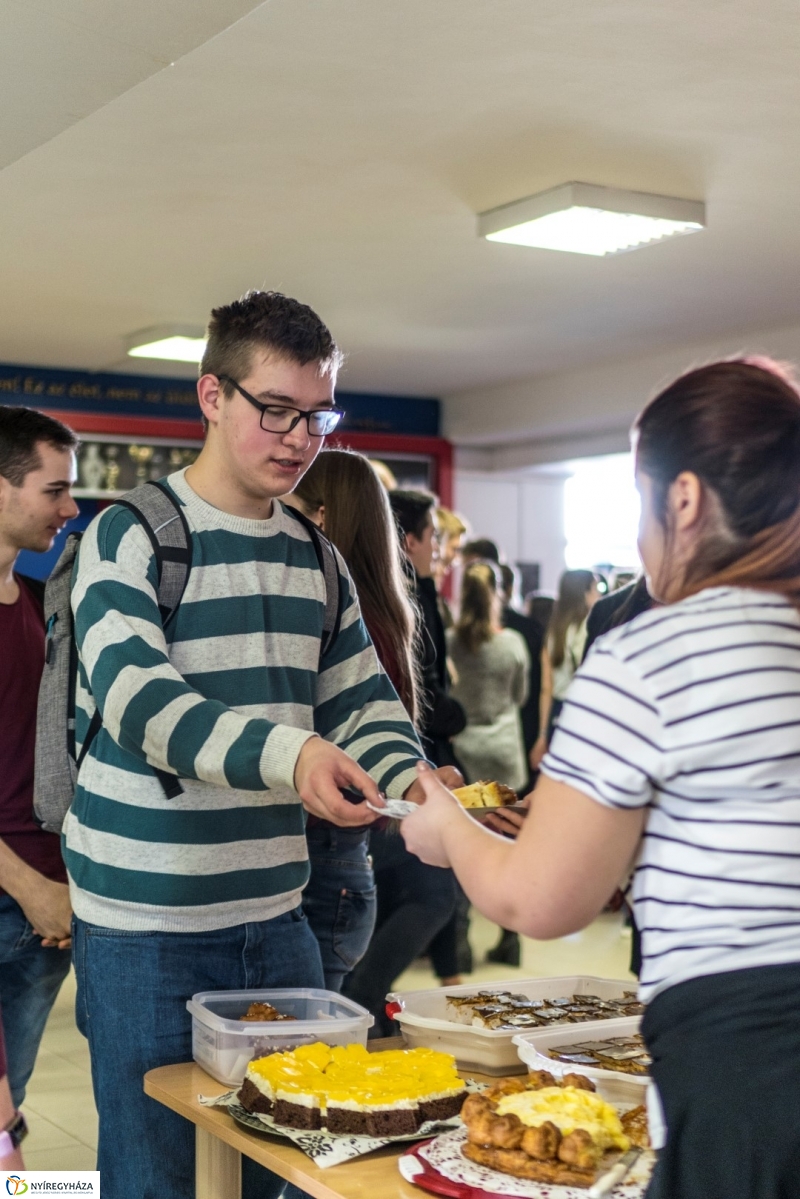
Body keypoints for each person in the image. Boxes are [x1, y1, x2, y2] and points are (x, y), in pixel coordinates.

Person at [66, 291, 440, 1199]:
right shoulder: (132, 534)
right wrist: (295, 756)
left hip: (278, 923)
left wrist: (420, 787)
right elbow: (141, 701)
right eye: (275, 409)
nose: (298, 436)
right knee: (155, 1175)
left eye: (318, 415)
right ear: (212, 396)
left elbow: (364, 700)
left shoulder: (318, 556)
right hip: (145, 930)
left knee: (279, 1169)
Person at [401, 356, 800, 1199]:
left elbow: (539, 902)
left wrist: (447, 829)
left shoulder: (654, 650)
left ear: (683, 497)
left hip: (756, 1059)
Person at [285, 448, 428, 991]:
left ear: (320, 516)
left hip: (323, 854)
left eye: (289, 507)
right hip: (341, 855)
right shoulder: (382, 607)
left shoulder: (343, 614)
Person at [344, 490, 465, 1023]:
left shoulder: (399, 595)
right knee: (435, 891)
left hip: (402, 772)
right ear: (405, 539)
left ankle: (371, 998)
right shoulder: (388, 597)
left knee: (421, 892)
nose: (440, 547)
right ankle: (364, 999)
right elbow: (408, 698)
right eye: (434, 536)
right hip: (392, 775)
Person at [0, 407, 77, 1109]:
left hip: (44, 913)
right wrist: (30, 887)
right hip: (20, 894)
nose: (71, 507)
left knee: (9, 1110)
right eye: (54, 489)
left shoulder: (33, 600)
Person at [448, 561, 530, 793]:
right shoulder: (513, 643)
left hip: (463, 754)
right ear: (498, 593)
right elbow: (520, 696)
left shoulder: (449, 641)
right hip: (504, 753)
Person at [544, 568, 600, 741]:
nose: (598, 594)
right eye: (596, 588)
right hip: (580, 709)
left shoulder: (554, 629)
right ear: (585, 592)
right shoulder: (588, 628)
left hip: (557, 709)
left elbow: (547, 685)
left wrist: (542, 734)